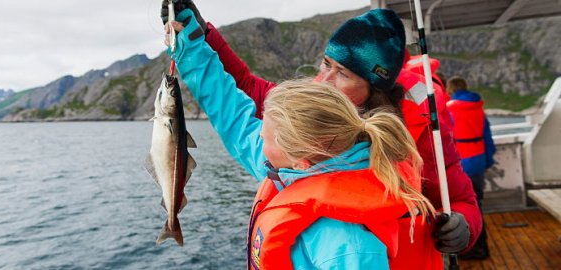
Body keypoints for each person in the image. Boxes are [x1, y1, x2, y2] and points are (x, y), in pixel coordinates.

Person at [162, 3, 482, 269]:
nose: (324, 80)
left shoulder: (423, 136)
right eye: (326, 64)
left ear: (374, 86)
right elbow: (245, 94)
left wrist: (463, 228)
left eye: (342, 73)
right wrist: (199, 38)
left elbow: (462, 201)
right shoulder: (306, 124)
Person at [446, 76, 496, 260]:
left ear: (450, 89)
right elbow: (488, 138)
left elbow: (446, 139)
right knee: (478, 205)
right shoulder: (478, 108)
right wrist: (487, 161)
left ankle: (473, 247)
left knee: (464, 208)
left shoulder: (449, 109)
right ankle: (482, 247)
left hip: (460, 164)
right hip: (478, 162)